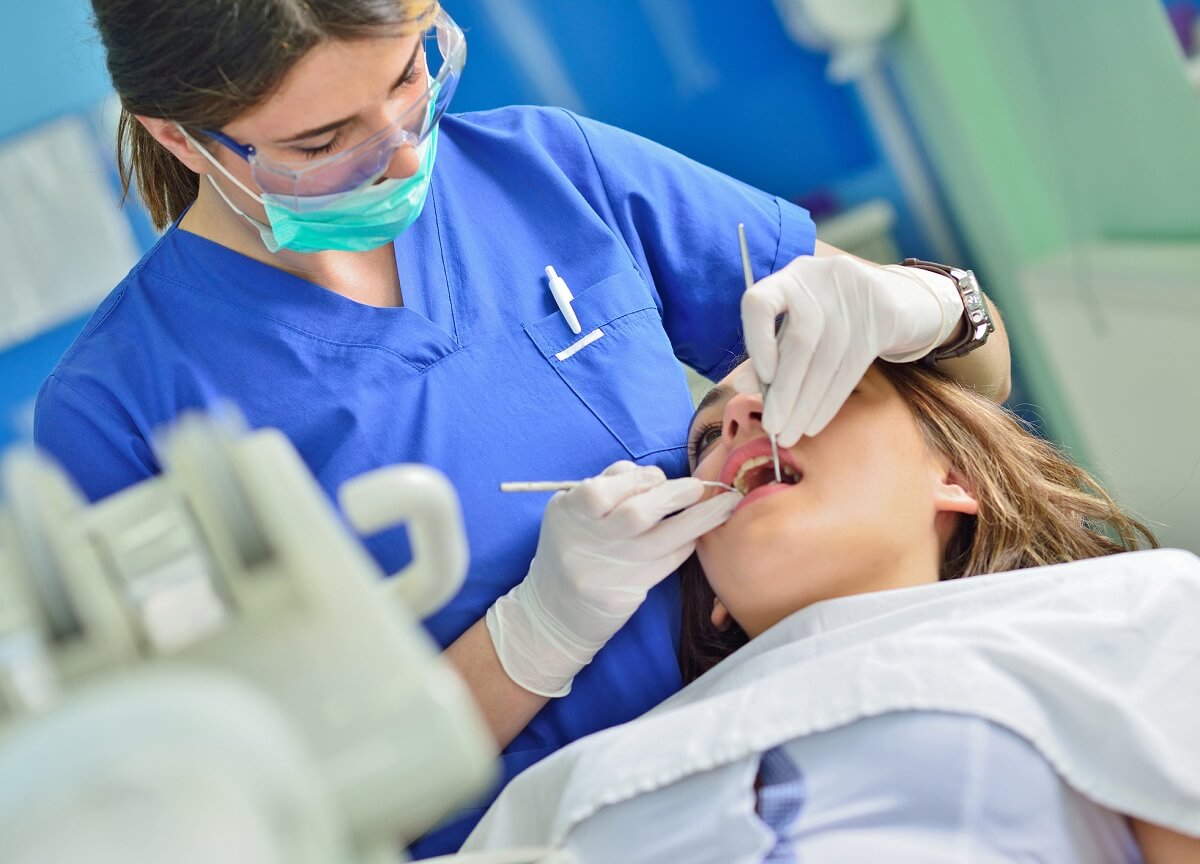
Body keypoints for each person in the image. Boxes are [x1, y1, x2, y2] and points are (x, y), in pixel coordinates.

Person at [36, 1, 1010, 853]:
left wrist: (923, 306)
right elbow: (257, 806)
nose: (408, 153)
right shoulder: (122, 403)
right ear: (182, 140)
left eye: (412, 75)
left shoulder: (551, 170)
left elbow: (972, 393)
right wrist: (529, 639)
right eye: (322, 141)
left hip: (805, 768)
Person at [462, 359, 1200, 863]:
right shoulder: (561, 785)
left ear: (955, 478)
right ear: (710, 590)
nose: (743, 416)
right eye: (707, 438)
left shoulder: (1123, 610)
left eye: (802, 387)